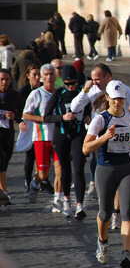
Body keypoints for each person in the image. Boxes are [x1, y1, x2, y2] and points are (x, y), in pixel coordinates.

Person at [71, 63, 130, 228]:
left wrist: (127, 120)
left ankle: (116, 213)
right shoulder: (91, 89)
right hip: (100, 139)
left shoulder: (123, 89)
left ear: (108, 77)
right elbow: (74, 107)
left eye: (98, 78)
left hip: (123, 140)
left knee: (122, 173)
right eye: (92, 78)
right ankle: (105, 206)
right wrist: (85, 90)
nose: (95, 81)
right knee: (106, 174)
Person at [83, 80, 130, 268]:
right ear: (107, 98)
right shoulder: (100, 120)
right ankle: (103, 241)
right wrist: (104, 137)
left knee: (127, 213)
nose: (118, 102)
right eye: (115, 99)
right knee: (105, 213)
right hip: (105, 168)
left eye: (121, 99)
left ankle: (126, 254)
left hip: (127, 167)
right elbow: (86, 148)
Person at [43, 65, 91, 218]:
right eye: (68, 84)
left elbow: (88, 107)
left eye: (73, 83)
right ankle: (67, 200)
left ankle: (80, 205)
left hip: (78, 133)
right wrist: (62, 118)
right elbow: (46, 116)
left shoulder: (81, 92)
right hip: (61, 134)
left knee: (78, 169)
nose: (71, 87)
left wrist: (87, 116)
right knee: (65, 169)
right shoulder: (58, 93)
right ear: (63, 82)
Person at [22, 64, 63, 208]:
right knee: (43, 174)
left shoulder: (60, 93)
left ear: (56, 76)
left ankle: (58, 200)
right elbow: (25, 114)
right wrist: (42, 119)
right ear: (41, 76)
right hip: (41, 138)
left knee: (60, 169)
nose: (49, 77)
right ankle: (35, 184)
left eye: (52, 74)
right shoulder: (36, 94)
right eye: (46, 74)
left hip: (58, 137)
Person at [18, 65, 41, 194]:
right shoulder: (24, 91)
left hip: (41, 126)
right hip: (28, 125)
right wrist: (20, 121)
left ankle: (40, 180)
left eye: (39, 74)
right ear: (28, 76)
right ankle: (28, 180)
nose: (37, 77)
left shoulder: (43, 89)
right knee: (30, 155)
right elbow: (17, 109)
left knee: (41, 155)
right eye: (34, 75)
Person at [0, 69, 22, 199]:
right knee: (0, 161)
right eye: (2, 79)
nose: (4, 82)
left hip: (8, 132)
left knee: (6, 159)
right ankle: (4, 192)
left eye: (7, 79)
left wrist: (15, 116)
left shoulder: (15, 95)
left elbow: (23, 113)